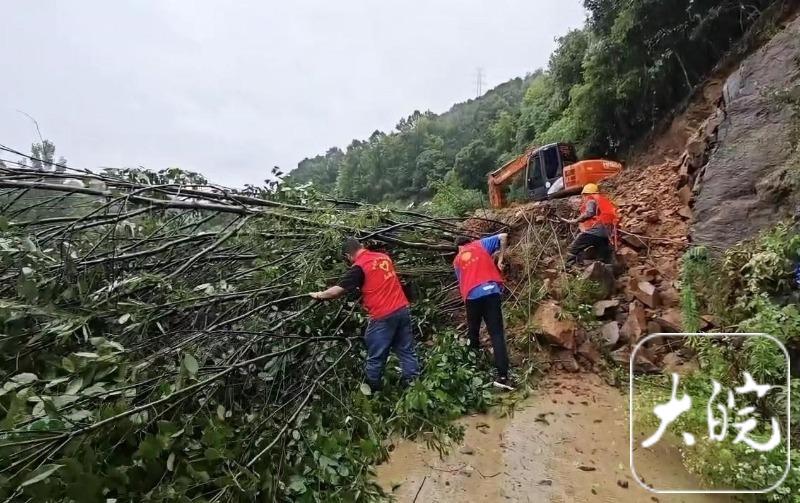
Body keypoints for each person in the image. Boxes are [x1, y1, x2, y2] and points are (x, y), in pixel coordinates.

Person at [310, 238, 419, 391]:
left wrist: (319, 294)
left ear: (348, 256)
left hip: (383, 316)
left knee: (375, 357)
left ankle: (374, 394)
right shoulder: (383, 257)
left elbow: (337, 291)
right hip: (402, 309)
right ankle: (415, 387)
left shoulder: (359, 267)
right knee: (406, 351)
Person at [453, 233, 513, 390]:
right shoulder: (480, 245)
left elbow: (462, 283)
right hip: (492, 292)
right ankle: (503, 377)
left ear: (459, 247)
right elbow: (503, 236)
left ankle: (473, 368)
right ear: (469, 242)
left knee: (473, 332)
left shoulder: (457, 260)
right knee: (497, 334)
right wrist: (500, 259)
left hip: (473, 297)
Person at [563, 183, 618, 267]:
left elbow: (589, 213)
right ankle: (603, 272)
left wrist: (576, 220)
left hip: (596, 231)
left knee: (574, 247)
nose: (583, 197)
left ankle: (568, 268)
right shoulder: (602, 200)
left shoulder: (591, 199)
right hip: (606, 234)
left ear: (586, 193)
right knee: (602, 257)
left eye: (583, 195)